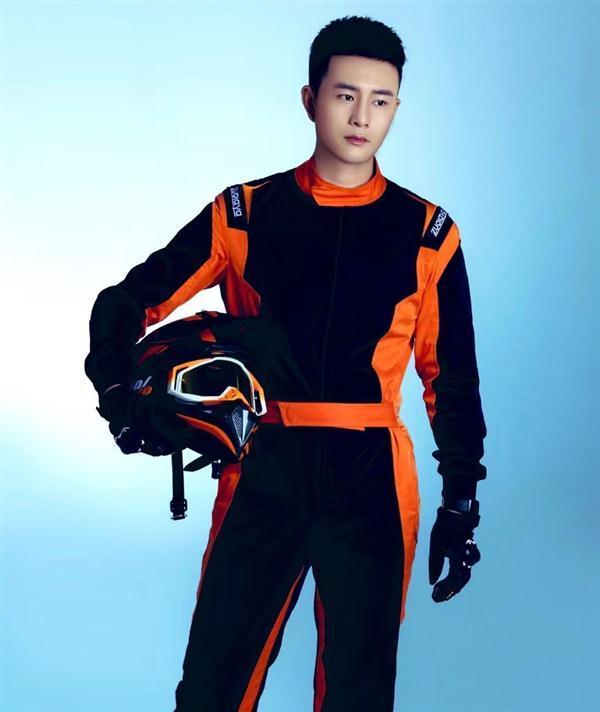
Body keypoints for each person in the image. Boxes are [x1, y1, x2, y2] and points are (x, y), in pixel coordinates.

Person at [84, 14, 487, 712]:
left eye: (381, 100)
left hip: (372, 478)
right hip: (263, 464)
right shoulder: (242, 214)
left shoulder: (428, 233)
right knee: (211, 689)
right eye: (344, 95)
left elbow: (451, 378)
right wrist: (118, 392)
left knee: (360, 695)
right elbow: (125, 302)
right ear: (310, 98)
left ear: (397, 107)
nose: (361, 117)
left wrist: (461, 501)